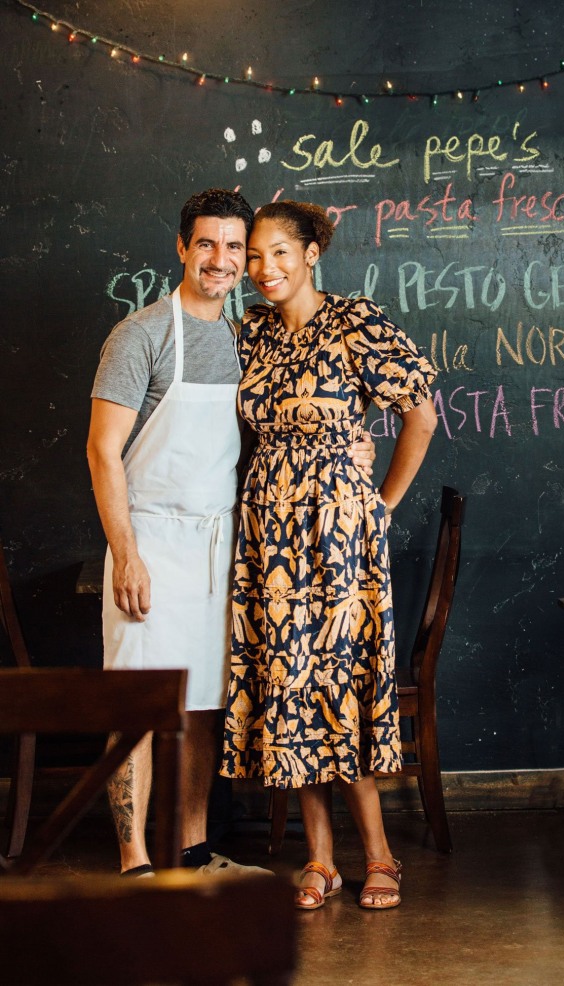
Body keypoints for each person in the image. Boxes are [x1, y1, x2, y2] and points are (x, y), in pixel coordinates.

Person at [86, 188, 376, 877]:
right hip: (150, 539)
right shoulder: (140, 336)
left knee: (204, 705)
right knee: (137, 706)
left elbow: (297, 411)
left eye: (234, 247)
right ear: (182, 249)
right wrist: (127, 554)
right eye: (206, 244)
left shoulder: (251, 336)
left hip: (226, 544)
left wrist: (352, 441)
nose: (221, 259)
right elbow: (103, 452)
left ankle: (189, 850)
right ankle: (134, 862)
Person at [220, 200, 438, 910]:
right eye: (253, 256)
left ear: (312, 253)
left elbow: (421, 413)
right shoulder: (249, 330)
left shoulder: (356, 321)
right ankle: (320, 858)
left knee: (335, 683)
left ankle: (378, 852)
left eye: (278, 252)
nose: (262, 269)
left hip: (338, 529)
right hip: (266, 531)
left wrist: (383, 501)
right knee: (288, 686)